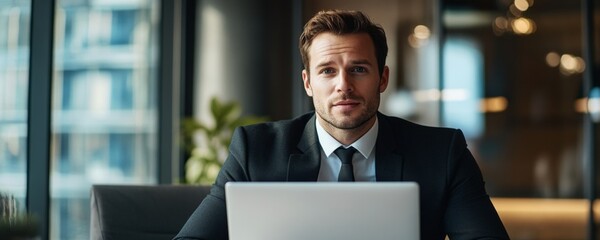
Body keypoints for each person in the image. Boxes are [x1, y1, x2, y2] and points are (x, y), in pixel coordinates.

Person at [174, 9, 509, 240]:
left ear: (383, 78)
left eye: (359, 69)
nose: (343, 85)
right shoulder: (255, 150)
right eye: (327, 71)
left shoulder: (441, 153)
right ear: (308, 82)